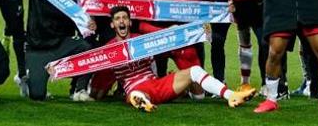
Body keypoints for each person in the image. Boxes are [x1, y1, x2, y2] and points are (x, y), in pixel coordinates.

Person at [104, 6, 256, 112]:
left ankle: (231, 96)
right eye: (118, 19)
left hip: (155, 84)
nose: (122, 21)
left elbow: (153, 62)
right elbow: (102, 77)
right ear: (112, 24)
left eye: (125, 18)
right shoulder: (107, 49)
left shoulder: (141, 40)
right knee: (137, 94)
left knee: (195, 70)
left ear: (130, 22)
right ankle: (144, 102)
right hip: (134, 88)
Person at [21, 0, 95, 101]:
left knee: (86, 48)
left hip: (62, 47)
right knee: (37, 95)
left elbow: (86, 25)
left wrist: (90, 24)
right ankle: (29, 77)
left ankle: (80, 90)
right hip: (38, 50)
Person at [142, 0, 203, 94]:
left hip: (183, 45)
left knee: (199, 95)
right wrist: (166, 32)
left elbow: (200, 20)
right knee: (153, 89)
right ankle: (169, 80)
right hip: (159, 45)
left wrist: (186, 32)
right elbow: (142, 25)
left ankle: (184, 84)